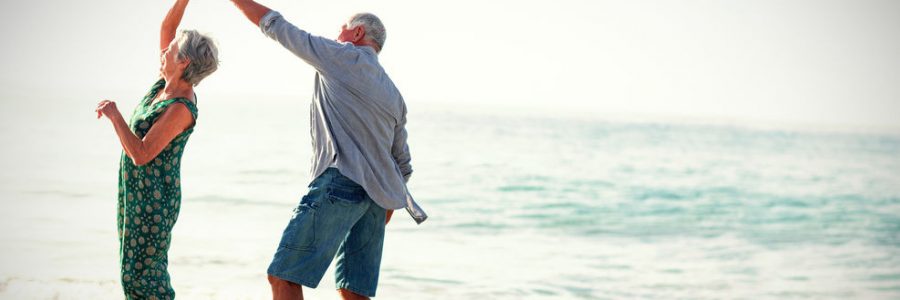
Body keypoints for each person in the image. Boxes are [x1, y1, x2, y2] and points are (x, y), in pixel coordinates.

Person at [229, 1, 416, 299]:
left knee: (283, 276)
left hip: (340, 182)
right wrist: (386, 204)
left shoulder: (342, 56)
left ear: (356, 33)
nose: (336, 34)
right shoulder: (394, 94)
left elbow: (277, 26)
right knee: (354, 291)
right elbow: (402, 163)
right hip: (378, 200)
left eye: (341, 29)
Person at [95, 0, 218, 298]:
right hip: (136, 191)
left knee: (143, 278)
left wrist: (115, 115)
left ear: (184, 62)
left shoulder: (180, 107)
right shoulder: (165, 84)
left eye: (171, 50)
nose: (164, 52)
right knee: (132, 272)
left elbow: (141, 154)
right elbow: (167, 28)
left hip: (154, 199)